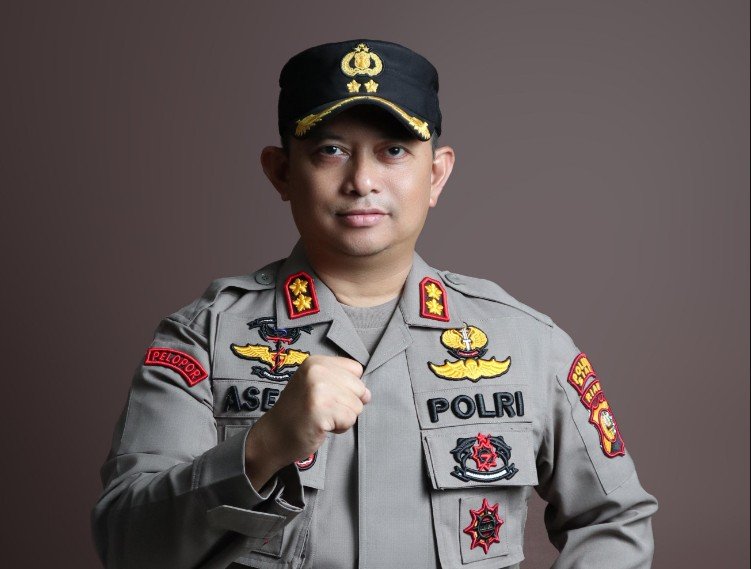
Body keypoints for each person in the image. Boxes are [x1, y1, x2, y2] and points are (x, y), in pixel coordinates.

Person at [91, 39, 657, 569]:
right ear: (282, 172)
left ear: (436, 174)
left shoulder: (527, 343)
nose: (362, 180)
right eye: (330, 150)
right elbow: (126, 543)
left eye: (393, 151)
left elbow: (614, 519)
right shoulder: (205, 338)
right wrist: (262, 447)